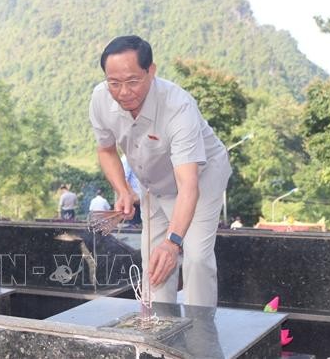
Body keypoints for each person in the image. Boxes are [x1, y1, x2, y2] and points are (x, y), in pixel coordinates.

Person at [89, 35, 231, 307]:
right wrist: (123, 190)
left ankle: (199, 339)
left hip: (201, 177)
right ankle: (159, 329)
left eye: (132, 81)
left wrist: (174, 241)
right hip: (152, 179)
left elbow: (188, 184)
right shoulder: (99, 99)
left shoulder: (178, 106)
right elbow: (106, 150)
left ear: (151, 71)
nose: (123, 92)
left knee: (196, 256)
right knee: (153, 257)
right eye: (114, 83)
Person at [121, 154, 143, 227]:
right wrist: (134, 195)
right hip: (135, 199)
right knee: (135, 226)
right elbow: (123, 179)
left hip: (143, 198)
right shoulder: (126, 159)